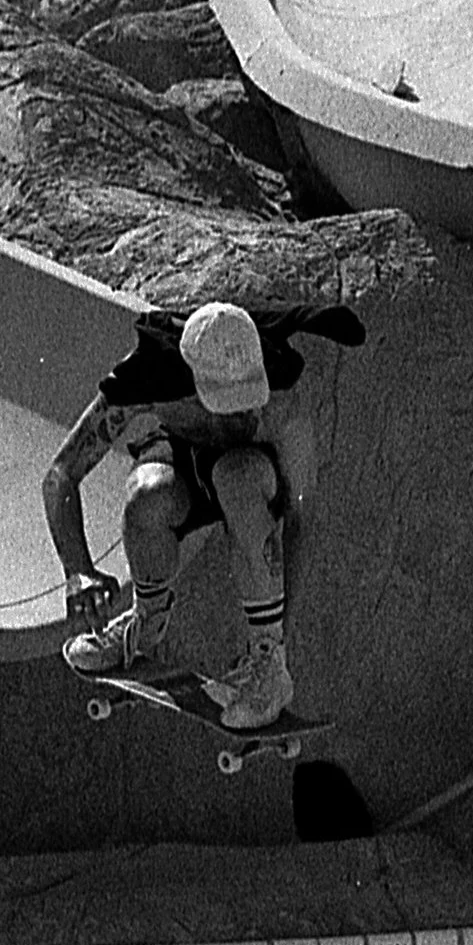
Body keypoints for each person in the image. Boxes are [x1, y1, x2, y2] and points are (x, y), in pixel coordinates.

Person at [43, 297, 362, 731]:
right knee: (146, 494)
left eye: (248, 399)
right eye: (222, 400)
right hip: (185, 459)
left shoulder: (282, 385)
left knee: (237, 476)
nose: (241, 412)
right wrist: (77, 570)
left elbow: (301, 522)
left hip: (250, 474)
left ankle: (267, 662)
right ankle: (146, 625)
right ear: (189, 374)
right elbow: (62, 474)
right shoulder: (149, 372)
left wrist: (276, 645)